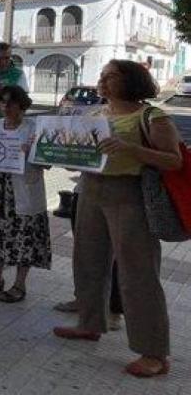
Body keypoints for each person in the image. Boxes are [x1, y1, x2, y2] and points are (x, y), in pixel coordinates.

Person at [53, 60, 179, 378]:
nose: (103, 80)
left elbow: (174, 161)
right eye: (103, 75)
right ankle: (90, 323)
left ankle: (154, 352)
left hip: (130, 194)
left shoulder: (151, 116)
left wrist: (129, 148)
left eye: (111, 76)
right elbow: (81, 153)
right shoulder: (96, 114)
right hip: (91, 190)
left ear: (132, 81)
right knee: (87, 261)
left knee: (138, 273)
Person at [0, 86, 51, 303]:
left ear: (22, 105)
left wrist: (32, 153)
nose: (6, 107)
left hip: (22, 193)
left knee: (22, 238)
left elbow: (48, 163)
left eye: (12, 103)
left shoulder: (34, 129)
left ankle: (19, 285)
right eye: (2, 102)